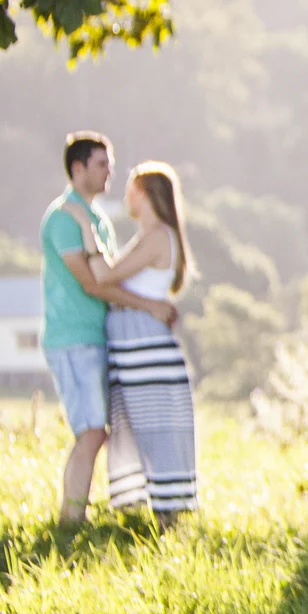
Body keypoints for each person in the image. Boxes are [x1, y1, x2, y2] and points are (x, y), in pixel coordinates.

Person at [41, 134, 176, 524]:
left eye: (110, 164)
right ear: (78, 167)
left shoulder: (96, 219)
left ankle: (79, 516)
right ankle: (70, 522)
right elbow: (93, 283)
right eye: (101, 164)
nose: (109, 172)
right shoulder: (65, 218)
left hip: (96, 336)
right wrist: (149, 305)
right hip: (73, 337)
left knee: (98, 431)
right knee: (91, 432)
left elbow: (110, 275)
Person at [92, 161, 198, 516]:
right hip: (134, 341)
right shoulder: (151, 236)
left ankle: (167, 511)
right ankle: (148, 510)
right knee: (141, 426)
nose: (125, 196)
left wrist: (83, 226)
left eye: (131, 189)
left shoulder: (156, 237)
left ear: (145, 194)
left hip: (143, 343)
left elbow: (105, 276)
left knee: (155, 429)